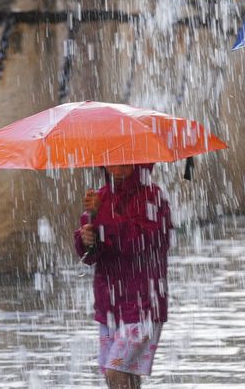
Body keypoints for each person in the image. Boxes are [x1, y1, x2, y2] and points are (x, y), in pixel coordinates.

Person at [74, 164, 172, 389]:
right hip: (109, 305)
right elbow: (92, 257)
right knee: (124, 375)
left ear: (139, 163)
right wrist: (86, 239)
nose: (117, 168)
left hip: (143, 304)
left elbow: (140, 243)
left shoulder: (152, 197)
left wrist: (104, 215)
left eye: (125, 163)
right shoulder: (100, 197)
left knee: (115, 371)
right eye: (112, 162)